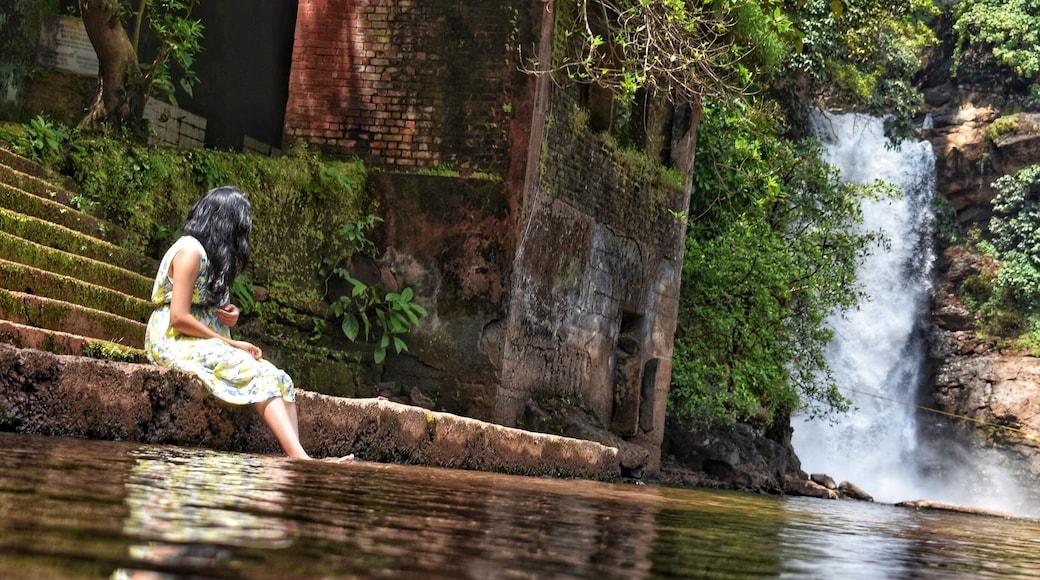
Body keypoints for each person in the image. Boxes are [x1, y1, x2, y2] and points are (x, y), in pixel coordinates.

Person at [144, 186, 350, 462]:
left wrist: (231, 313)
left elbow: (211, 303)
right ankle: (301, 459)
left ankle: (298, 455)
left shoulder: (212, 256)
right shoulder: (190, 252)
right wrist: (230, 342)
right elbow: (179, 317)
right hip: (172, 339)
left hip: (203, 338)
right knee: (256, 373)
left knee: (279, 378)